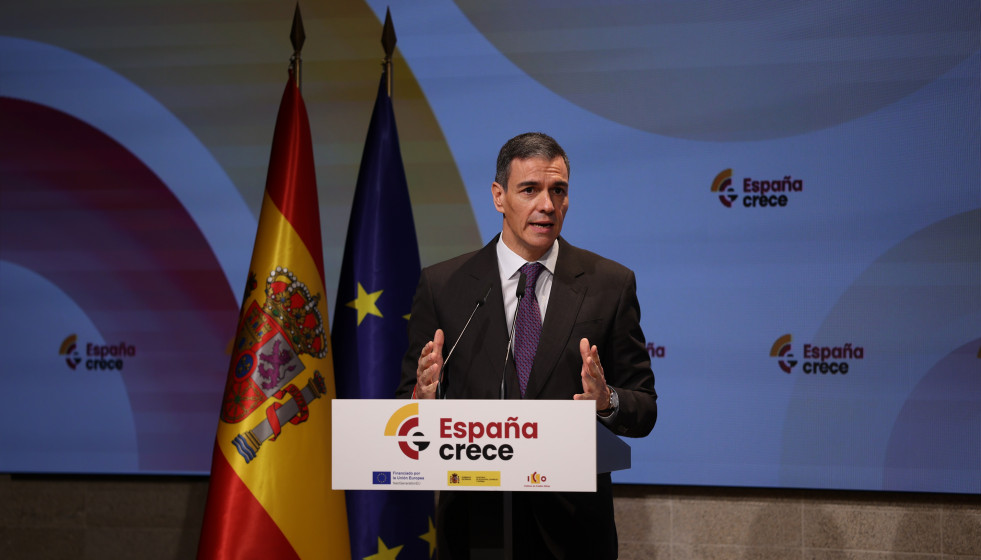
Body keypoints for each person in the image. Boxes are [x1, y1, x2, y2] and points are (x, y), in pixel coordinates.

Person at [396, 132, 657, 559]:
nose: (548, 205)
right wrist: (422, 400)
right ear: (499, 196)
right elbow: (405, 407)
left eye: (559, 191)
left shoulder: (610, 284)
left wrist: (606, 400)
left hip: (572, 535)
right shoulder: (444, 286)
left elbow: (644, 407)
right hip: (474, 529)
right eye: (530, 190)